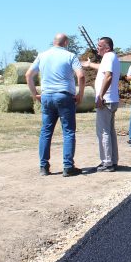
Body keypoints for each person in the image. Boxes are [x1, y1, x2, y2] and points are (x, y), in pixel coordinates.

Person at [26, 33, 85, 177]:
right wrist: (80, 95)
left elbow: (28, 75)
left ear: (54, 42)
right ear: (66, 43)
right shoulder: (70, 56)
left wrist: (35, 94)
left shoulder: (42, 55)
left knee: (46, 132)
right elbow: (81, 76)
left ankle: (44, 167)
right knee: (68, 132)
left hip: (46, 96)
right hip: (64, 96)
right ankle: (68, 167)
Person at [82, 37, 120, 172]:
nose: (97, 48)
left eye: (100, 46)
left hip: (106, 100)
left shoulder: (108, 57)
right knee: (110, 132)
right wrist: (89, 64)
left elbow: (108, 76)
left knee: (103, 132)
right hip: (112, 99)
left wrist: (100, 96)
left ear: (107, 48)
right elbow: (103, 68)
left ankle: (107, 163)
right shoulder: (111, 57)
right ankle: (113, 160)